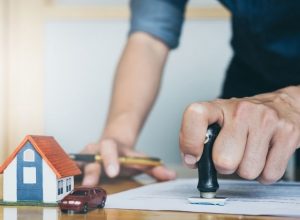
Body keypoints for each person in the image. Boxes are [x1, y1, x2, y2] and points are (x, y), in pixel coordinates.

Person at [81, 0, 300, 186]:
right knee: (236, 182)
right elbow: (150, 35)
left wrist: (291, 102)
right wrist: (119, 137)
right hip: (252, 75)